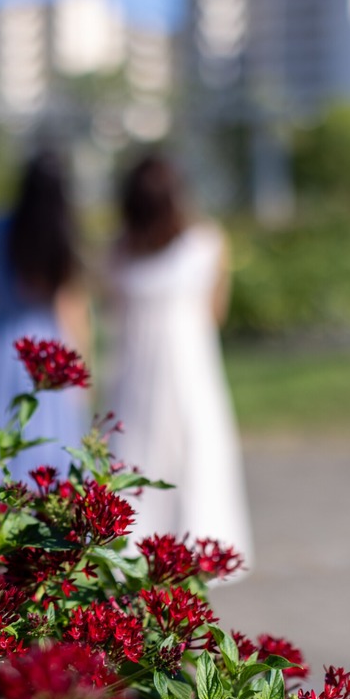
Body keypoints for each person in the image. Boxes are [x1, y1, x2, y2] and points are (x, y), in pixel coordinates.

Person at [105, 153, 253, 570]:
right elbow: (216, 311)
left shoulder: (118, 251)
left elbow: (113, 308)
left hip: (134, 370)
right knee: (195, 452)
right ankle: (200, 548)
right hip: (189, 366)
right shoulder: (207, 243)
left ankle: (131, 548)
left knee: (135, 451)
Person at [0, 150, 90, 483]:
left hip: (2, 344)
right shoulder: (64, 236)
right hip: (50, 348)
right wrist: (81, 371)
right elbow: (73, 309)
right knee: (51, 447)